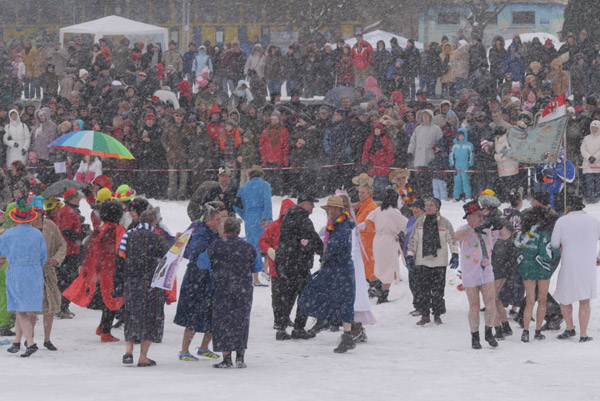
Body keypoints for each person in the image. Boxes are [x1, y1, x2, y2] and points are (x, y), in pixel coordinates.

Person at [202, 217, 262, 368]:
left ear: (224, 230)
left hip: (222, 289)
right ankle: (240, 357)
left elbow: (202, 263)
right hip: (243, 290)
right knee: (241, 321)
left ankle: (226, 358)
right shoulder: (248, 247)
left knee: (222, 322)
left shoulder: (215, 245)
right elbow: (258, 267)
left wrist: (215, 269)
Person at [298, 196, 356, 353]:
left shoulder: (342, 227)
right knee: (341, 300)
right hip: (336, 269)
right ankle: (343, 331)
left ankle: (344, 333)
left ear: (338, 209)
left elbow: (336, 247)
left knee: (338, 300)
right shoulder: (339, 225)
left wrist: (326, 255)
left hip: (339, 269)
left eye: (330, 208)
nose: (328, 211)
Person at [62, 201, 125, 342]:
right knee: (113, 300)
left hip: (99, 270)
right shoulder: (118, 230)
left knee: (107, 299)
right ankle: (106, 332)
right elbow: (121, 249)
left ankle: (103, 327)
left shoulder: (100, 229)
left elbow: (90, 249)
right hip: (111, 270)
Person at [454, 199, 511, 349]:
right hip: (470, 273)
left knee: (490, 303)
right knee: (474, 306)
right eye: (477, 215)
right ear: (469, 216)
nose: (480, 218)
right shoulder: (464, 228)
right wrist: (474, 229)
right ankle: (474, 336)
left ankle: (488, 332)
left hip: (486, 272)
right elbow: (456, 237)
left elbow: (505, 235)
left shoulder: (488, 229)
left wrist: (500, 224)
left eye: (481, 215)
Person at [120, 205, 170, 367]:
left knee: (132, 315)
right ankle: (143, 356)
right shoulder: (157, 238)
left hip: (131, 282)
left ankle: (128, 350)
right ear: (154, 223)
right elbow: (167, 259)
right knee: (150, 318)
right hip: (151, 284)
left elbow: (120, 258)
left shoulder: (129, 235)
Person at [174, 205, 222, 361]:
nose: (220, 222)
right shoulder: (201, 234)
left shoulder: (216, 234)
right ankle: (184, 350)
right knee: (192, 316)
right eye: (217, 219)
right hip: (196, 280)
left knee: (212, 315)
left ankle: (204, 347)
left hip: (210, 281)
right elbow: (198, 257)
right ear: (208, 221)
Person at [272, 194, 323, 340]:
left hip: (284, 263)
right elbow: (312, 238)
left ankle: (281, 328)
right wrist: (323, 252)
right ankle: (299, 328)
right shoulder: (303, 219)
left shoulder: (288, 216)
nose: (313, 206)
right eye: (311, 203)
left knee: (286, 296)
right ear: (303, 204)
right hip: (298, 265)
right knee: (306, 296)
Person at [550, 195, 600, 342]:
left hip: (569, 264)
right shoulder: (594, 220)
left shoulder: (562, 221)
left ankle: (569, 328)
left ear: (568, 208)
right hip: (587, 264)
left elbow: (554, 243)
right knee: (585, 300)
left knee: (565, 298)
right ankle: (583, 334)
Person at [1, 199, 46, 357]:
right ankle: (16, 341)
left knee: (20, 311)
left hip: (17, 272)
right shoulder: (37, 234)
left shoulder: (9, 234)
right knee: (23, 309)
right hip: (34, 273)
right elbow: (43, 256)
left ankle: (31, 342)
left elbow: (1, 252)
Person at [406, 197, 458, 325]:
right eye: (427, 205)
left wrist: (455, 254)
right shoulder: (419, 223)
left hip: (439, 262)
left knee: (438, 290)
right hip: (422, 261)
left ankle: (437, 314)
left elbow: (452, 239)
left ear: (437, 208)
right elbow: (413, 240)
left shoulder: (445, 223)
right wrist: (409, 255)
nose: (428, 207)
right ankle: (425, 315)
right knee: (423, 290)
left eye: (432, 205)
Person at [514, 206, 560, 343]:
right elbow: (547, 253)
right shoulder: (545, 234)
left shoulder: (523, 233)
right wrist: (557, 253)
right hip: (542, 269)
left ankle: (525, 331)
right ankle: (538, 331)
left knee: (529, 301)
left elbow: (517, 249)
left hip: (527, 268)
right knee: (542, 300)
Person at [361, 188, 407, 304]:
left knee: (381, 266)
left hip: (378, 240)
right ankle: (383, 294)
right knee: (390, 267)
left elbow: (367, 222)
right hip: (388, 241)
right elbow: (405, 225)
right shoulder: (394, 212)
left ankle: (376, 288)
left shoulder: (377, 210)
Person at [30, 206, 66, 351]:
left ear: (41, 212)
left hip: (48, 271)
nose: (35, 215)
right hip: (30, 272)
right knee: (31, 307)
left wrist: (57, 259)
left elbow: (62, 244)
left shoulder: (50, 226)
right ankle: (30, 338)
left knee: (50, 306)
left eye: (37, 212)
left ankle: (47, 339)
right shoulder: (26, 226)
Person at [258, 199, 296, 331]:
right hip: (276, 268)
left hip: (291, 267)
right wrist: (269, 250)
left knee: (290, 294)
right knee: (278, 295)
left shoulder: (296, 226)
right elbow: (262, 242)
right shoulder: (274, 226)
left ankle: (285, 317)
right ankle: (278, 319)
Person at [233, 165, 272, 286]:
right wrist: (267, 216)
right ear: (261, 174)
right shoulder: (265, 185)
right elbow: (267, 201)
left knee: (254, 247)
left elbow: (236, 205)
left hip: (250, 218)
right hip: (262, 215)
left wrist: (245, 215)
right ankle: (265, 269)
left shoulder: (243, 188)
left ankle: (255, 277)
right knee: (267, 244)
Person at [55, 188, 87, 319]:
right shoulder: (68, 211)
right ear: (70, 199)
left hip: (70, 250)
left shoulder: (69, 210)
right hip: (69, 251)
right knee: (67, 279)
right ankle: (62, 307)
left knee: (65, 279)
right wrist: (82, 236)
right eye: (76, 197)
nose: (79, 199)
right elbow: (67, 231)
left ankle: (61, 306)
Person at [352, 175, 379, 297]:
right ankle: (371, 285)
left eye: (363, 192)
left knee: (369, 264)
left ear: (369, 193)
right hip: (362, 240)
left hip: (369, 239)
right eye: (359, 192)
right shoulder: (360, 205)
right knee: (365, 264)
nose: (361, 194)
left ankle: (375, 286)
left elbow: (374, 223)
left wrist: (365, 226)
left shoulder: (372, 206)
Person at [449, 128, 474, 201]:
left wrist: (470, 165)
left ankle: (468, 197)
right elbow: (451, 155)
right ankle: (456, 196)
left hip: (465, 166)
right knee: (457, 182)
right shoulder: (455, 146)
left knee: (466, 182)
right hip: (457, 166)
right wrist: (452, 164)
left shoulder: (469, 145)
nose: (461, 137)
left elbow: (472, 155)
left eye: (463, 135)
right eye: (459, 135)